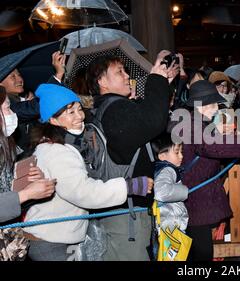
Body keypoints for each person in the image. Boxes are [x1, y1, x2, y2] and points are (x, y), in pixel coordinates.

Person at [24, 84, 152, 261]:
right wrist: (129, 186)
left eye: (79, 109)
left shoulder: (63, 146)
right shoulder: (56, 151)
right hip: (51, 242)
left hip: (55, 238)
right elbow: (84, 192)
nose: (80, 116)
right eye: (70, 112)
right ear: (53, 120)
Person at [85, 51, 172, 261]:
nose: (126, 76)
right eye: (119, 72)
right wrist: (157, 79)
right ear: (102, 81)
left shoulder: (102, 108)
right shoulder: (115, 109)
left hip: (116, 209)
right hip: (127, 216)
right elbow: (154, 122)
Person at [172, 80, 240, 261]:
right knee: (201, 251)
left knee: (198, 248)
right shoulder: (193, 124)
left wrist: (217, 130)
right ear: (202, 105)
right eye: (214, 104)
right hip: (195, 197)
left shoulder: (194, 122)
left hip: (195, 195)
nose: (216, 108)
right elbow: (210, 147)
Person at [0, 86, 55, 224]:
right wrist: (26, 194)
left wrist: (27, 180)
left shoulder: (6, 145)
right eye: (8, 108)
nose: (13, 114)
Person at [0, 51, 66, 156]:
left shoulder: (23, 101)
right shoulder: (6, 107)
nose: (20, 79)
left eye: (19, 75)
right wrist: (58, 74)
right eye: (13, 77)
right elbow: (38, 106)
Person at [152, 134, 188, 233]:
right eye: (177, 152)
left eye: (181, 152)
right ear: (162, 156)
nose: (181, 156)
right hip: (169, 226)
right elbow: (161, 192)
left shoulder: (162, 168)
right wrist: (184, 191)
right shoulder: (168, 170)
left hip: (167, 223)